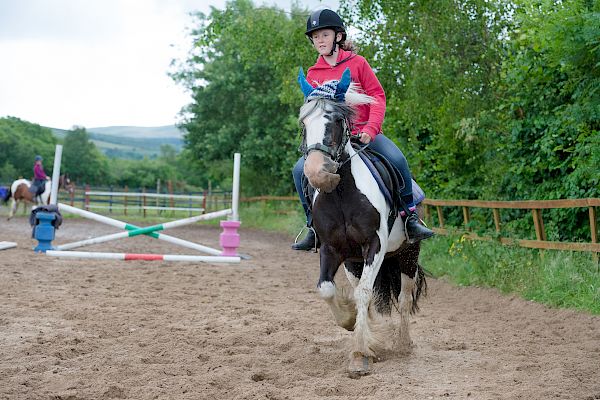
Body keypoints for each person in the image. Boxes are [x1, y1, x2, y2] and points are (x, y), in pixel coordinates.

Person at [292, 8, 434, 251]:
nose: (319, 41)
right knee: (298, 171)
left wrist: (371, 127)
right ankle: (313, 227)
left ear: (338, 36)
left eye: (324, 35)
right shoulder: (314, 73)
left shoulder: (358, 64)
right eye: (315, 37)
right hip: (333, 142)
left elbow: (377, 96)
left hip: (364, 136)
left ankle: (410, 218)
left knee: (398, 159)